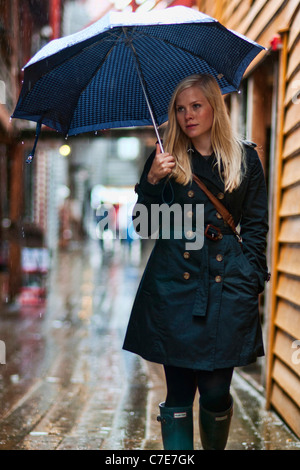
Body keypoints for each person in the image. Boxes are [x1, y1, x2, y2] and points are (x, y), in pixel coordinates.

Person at [122, 74, 269, 450]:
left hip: (226, 287)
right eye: (180, 108)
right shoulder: (164, 159)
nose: (188, 115)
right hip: (176, 287)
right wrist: (152, 183)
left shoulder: (245, 157)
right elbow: (142, 226)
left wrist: (251, 277)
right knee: (180, 393)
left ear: (214, 108)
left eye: (196, 106)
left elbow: (255, 226)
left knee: (217, 391)